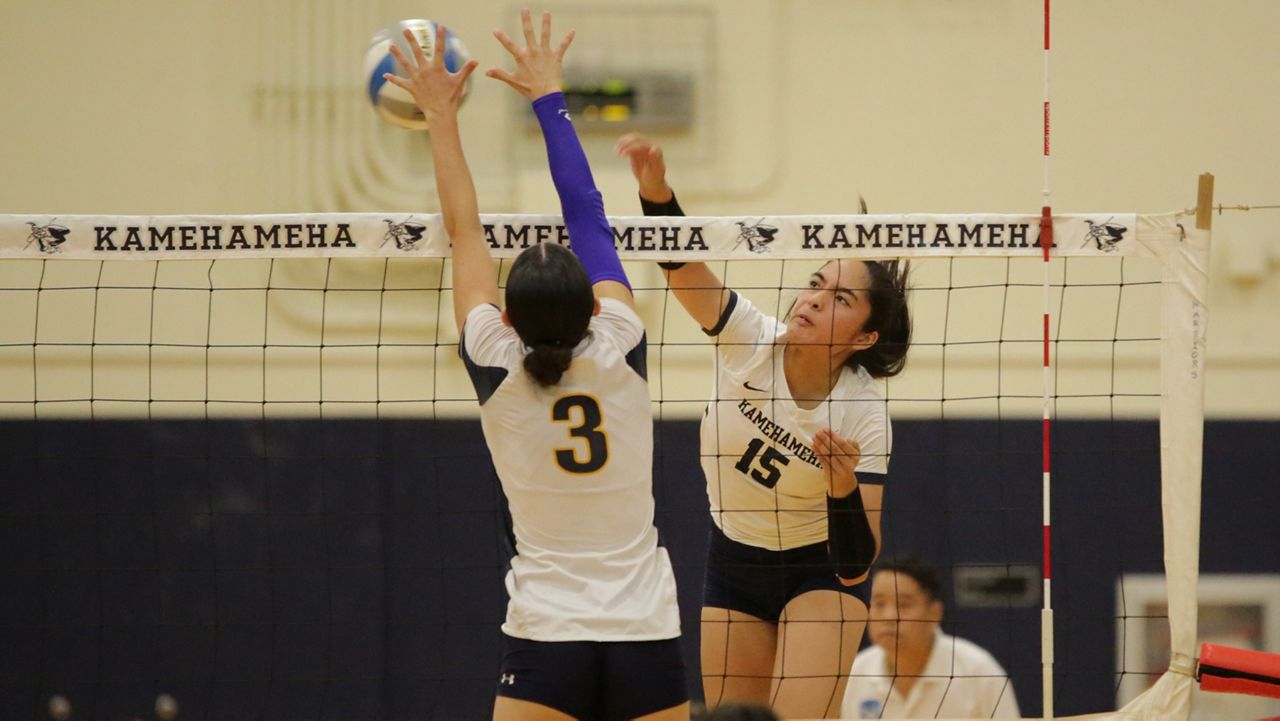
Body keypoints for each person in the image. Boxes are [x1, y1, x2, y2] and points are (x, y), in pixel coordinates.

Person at [383, 13, 688, 721]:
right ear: (591, 305)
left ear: (510, 318)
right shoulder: (621, 341)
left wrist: (440, 117)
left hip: (547, 634)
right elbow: (587, 213)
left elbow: (464, 227)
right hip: (645, 628)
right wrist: (549, 97)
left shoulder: (495, 358)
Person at [615, 133, 911, 719]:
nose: (814, 300)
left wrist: (842, 486)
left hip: (819, 570)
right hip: (733, 558)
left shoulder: (863, 413)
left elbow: (856, 562)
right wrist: (656, 193)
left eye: (841, 297)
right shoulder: (751, 341)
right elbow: (683, 268)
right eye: (816, 283)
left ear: (864, 337)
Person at [840, 559, 1021, 719]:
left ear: (934, 612)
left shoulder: (978, 671)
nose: (889, 616)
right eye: (879, 604)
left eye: (904, 604)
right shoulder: (855, 674)